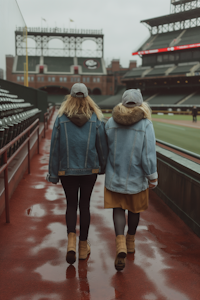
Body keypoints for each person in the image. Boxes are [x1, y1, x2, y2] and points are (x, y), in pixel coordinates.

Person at [46, 83, 108, 265]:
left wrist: (53, 174)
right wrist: (102, 167)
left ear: (70, 97)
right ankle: (82, 247)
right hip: (89, 169)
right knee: (85, 205)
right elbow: (102, 147)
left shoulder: (60, 119)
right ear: (87, 97)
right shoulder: (95, 118)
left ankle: (71, 243)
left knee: (71, 205)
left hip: (67, 169)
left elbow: (55, 148)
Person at [104, 89, 158, 271]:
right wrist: (153, 176)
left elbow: (106, 150)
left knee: (118, 209)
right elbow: (148, 155)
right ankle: (130, 243)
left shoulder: (110, 122)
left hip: (114, 176)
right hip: (137, 177)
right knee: (135, 211)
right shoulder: (146, 124)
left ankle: (120, 245)